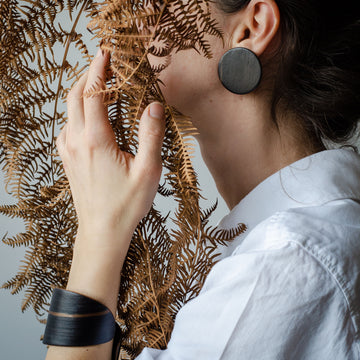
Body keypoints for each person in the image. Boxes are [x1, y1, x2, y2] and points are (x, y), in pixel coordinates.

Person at [44, 0, 360, 359]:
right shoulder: (300, 243)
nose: (119, 12)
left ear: (251, 28)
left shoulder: (284, 262)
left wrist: (99, 232)